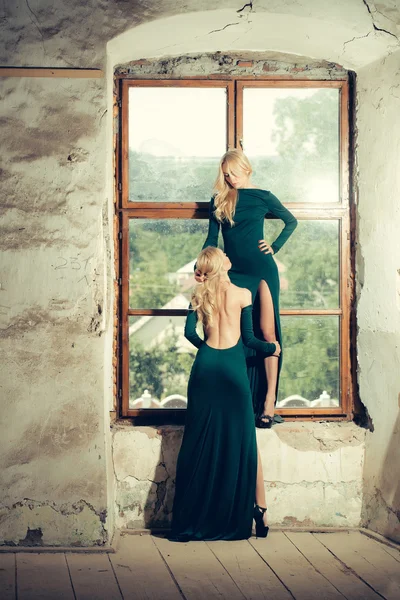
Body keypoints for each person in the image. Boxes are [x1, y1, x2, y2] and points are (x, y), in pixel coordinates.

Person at [171, 246, 280, 541]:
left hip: (205, 367)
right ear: (223, 264)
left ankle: (191, 520)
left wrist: (208, 352)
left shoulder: (199, 295)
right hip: (233, 369)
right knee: (241, 440)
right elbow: (249, 339)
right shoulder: (243, 294)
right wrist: (273, 349)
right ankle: (236, 516)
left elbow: (190, 334)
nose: (231, 256)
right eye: (225, 255)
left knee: (197, 441)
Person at [199, 149, 297, 428]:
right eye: (226, 174)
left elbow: (291, 221)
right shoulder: (218, 200)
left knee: (267, 332)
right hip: (232, 273)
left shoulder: (263, 196)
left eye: (234, 172)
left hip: (263, 271)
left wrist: (274, 247)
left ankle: (268, 403)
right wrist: (204, 269)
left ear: (247, 168)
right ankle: (240, 401)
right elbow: (211, 239)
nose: (230, 178)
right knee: (238, 334)